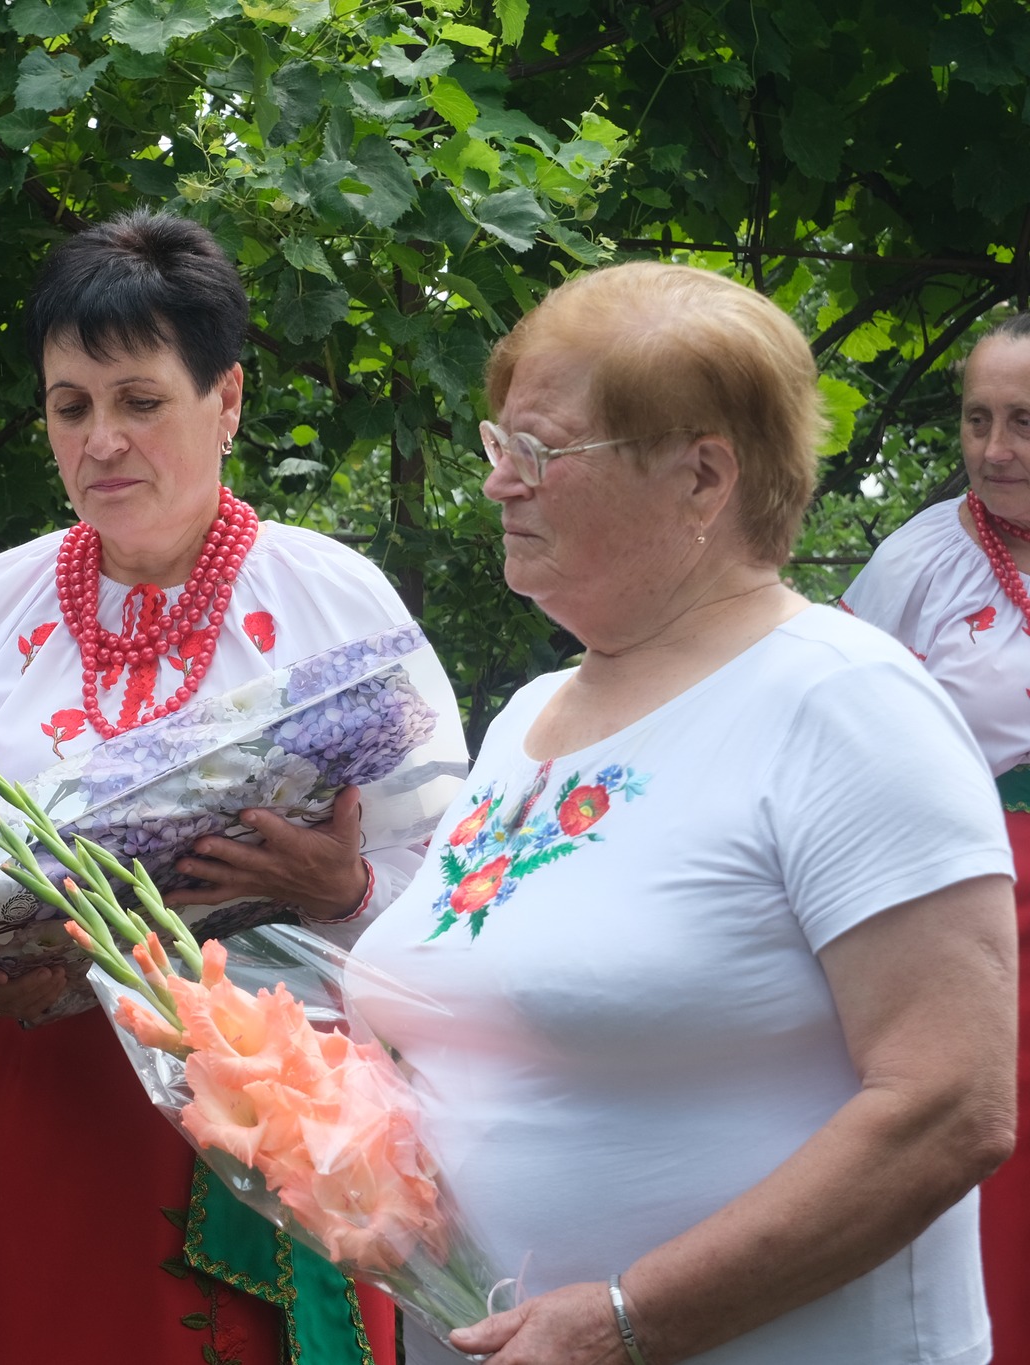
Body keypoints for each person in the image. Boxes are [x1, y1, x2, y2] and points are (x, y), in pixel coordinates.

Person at [351, 261, 1018, 1365]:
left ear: (701, 477)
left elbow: (950, 1103)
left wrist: (627, 1320)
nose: (498, 484)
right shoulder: (525, 718)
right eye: (496, 443)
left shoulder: (844, 702)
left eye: (539, 452)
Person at [0, 210, 463, 1365]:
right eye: (68, 405)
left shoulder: (333, 602)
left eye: (139, 401)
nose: (101, 441)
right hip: (53, 1106)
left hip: (281, 1111)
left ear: (224, 400)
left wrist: (337, 890)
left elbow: (454, 895)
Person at [840, 311, 1030, 1365]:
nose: (994, 448)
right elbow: (840, 737)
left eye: (1023, 422)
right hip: (978, 901)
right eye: (976, 418)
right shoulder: (917, 562)